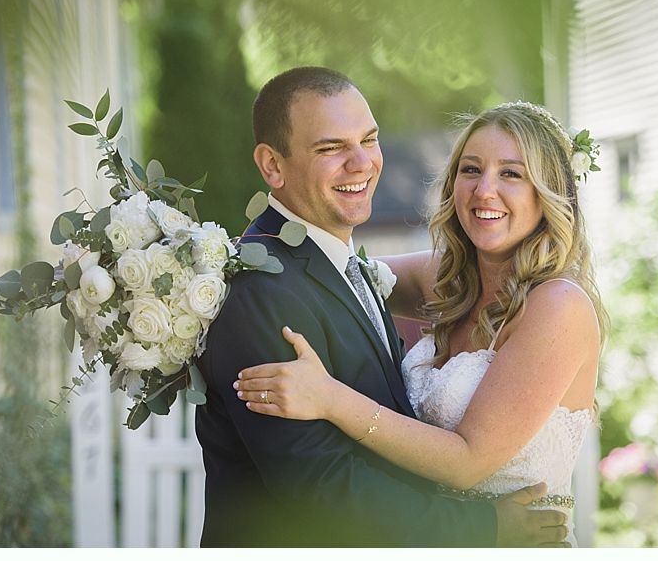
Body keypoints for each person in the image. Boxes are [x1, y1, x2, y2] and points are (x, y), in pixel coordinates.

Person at [195, 68, 569, 547]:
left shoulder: (346, 268)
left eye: (368, 140)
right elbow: (320, 486)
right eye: (331, 148)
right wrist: (483, 528)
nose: (361, 164)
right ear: (272, 166)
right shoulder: (262, 289)